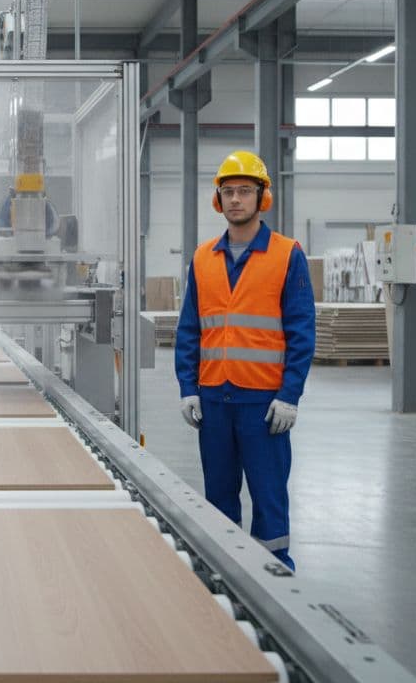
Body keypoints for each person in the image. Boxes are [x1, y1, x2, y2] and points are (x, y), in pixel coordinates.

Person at [174, 150, 314, 571]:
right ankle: (224, 572)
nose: (236, 199)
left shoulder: (287, 255)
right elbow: (189, 331)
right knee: (218, 494)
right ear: (219, 199)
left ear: (261, 197)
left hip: (263, 403)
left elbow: (302, 332)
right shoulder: (202, 258)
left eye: (245, 191)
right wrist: (188, 389)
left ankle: (276, 576)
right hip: (215, 400)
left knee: (269, 496)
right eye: (228, 191)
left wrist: (290, 395)